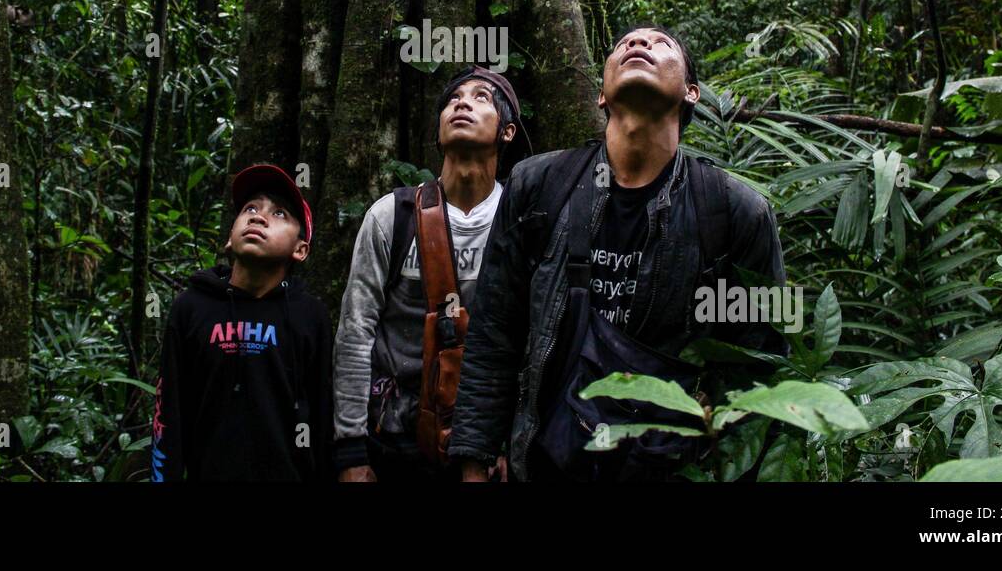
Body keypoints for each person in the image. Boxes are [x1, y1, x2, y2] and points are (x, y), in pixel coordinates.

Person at [450, 25, 789, 482]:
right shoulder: (537, 187)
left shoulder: (734, 212)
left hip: (666, 468)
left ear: (691, 93)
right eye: (624, 43)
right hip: (545, 462)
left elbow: (760, 362)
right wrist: (475, 458)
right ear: (601, 98)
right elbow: (495, 332)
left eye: (660, 43)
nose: (637, 44)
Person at [333, 66, 527, 481]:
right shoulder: (392, 216)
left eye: (481, 98)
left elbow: (531, 338)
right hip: (394, 439)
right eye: (453, 99)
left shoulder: (522, 220)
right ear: (438, 134)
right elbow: (355, 332)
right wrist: (351, 450)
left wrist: (512, 442)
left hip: (485, 443)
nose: (462, 103)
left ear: (507, 132)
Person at [151, 164, 334, 481]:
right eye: (250, 208)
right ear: (228, 239)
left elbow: (322, 416)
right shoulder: (191, 308)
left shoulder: (310, 315)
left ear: (300, 250)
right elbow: (167, 415)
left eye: (279, 214)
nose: (258, 217)